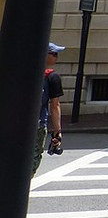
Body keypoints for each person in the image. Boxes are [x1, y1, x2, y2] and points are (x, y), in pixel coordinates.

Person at [33, 42, 65, 175]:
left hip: (15, 125)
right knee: (34, 158)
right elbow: (54, 105)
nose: (57, 57)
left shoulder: (23, 72)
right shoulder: (52, 77)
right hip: (39, 125)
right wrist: (57, 132)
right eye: (54, 54)